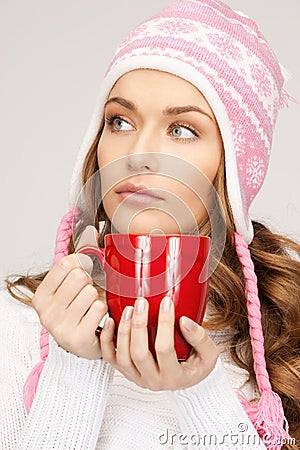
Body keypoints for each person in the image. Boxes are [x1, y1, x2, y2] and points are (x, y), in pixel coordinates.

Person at [1, 0, 299, 449]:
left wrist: (201, 392)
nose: (137, 153)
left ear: (233, 168)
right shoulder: (19, 326)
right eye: (119, 121)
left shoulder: (284, 340)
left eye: (182, 129)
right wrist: (74, 365)